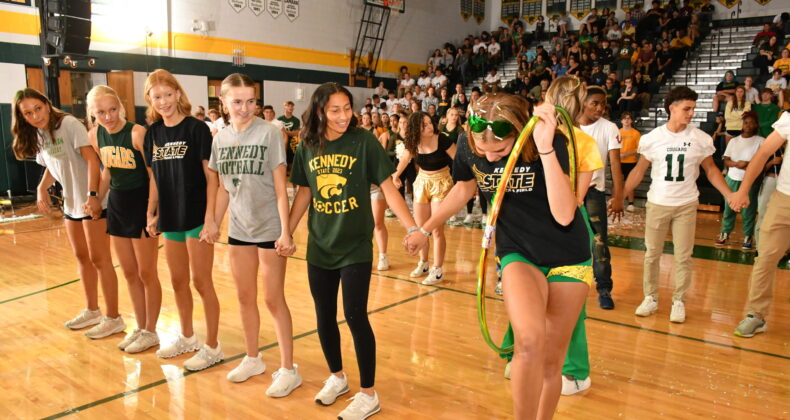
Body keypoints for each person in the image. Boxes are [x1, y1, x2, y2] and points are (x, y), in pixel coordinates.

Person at [404, 92, 593, 419]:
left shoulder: (550, 142)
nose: (490, 159)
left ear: (520, 133)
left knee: (552, 359)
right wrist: (425, 229)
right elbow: (464, 188)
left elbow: (565, 215)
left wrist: (546, 148)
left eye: (501, 151)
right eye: (483, 150)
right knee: (529, 342)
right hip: (518, 250)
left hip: (568, 255)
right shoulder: (465, 143)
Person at [287, 82, 419, 419]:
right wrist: (286, 230)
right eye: (335, 110)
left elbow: (388, 188)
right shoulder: (308, 145)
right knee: (323, 316)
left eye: (347, 108)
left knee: (355, 315)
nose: (344, 116)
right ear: (319, 111)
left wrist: (413, 227)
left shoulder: (364, 141)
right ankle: (337, 377)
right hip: (320, 244)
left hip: (356, 245)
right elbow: (303, 192)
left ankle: (368, 393)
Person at [202, 73, 300, 395]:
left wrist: (286, 231)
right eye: (237, 102)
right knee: (245, 297)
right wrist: (213, 222)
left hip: (271, 228)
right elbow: (224, 189)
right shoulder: (220, 139)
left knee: (273, 299)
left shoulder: (270, 133)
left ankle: (288, 368)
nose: (245, 108)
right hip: (240, 229)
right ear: (224, 103)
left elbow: (280, 188)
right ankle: (253, 357)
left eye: (251, 101)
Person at [12, 88, 120, 337]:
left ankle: (113, 316)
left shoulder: (69, 124)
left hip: (92, 202)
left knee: (99, 259)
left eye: (38, 108)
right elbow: (53, 164)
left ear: (47, 105)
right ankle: (92, 310)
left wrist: (93, 196)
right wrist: (41, 188)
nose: (35, 115)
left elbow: (92, 160)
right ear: (22, 117)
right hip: (71, 204)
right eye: (28, 113)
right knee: (82, 257)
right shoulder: (39, 133)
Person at [624, 86, 733, 323]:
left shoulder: (700, 139)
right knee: (652, 254)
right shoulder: (652, 139)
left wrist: (729, 195)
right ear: (672, 108)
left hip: (686, 204)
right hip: (657, 203)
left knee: (684, 256)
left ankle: (679, 301)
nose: (691, 113)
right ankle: (650, 298)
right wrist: (620, 196)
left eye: (693, 108)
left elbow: (712, 171)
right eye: (687, 108)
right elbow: (639, 170)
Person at [142, 69, 222, 370]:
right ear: (150, 100)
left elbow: (211, 177)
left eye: (167, 94)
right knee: (177, 281)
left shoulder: (196, 129)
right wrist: (152, 212)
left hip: (197, 216)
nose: (162, 101)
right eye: (156, 96)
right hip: (171, 218)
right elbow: (155, 179)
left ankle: (213, 346)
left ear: (178, 93)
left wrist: (211, 218)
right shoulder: (152, 134)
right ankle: (187, 337)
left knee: (202, 282)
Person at [85, 85, 161, 351]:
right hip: (117, 204)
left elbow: (154, 176)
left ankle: (152, 330)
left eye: (113, 110)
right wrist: (95, 196)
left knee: (147, 272)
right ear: (92, 115)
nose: (108, 117)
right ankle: (140, 327)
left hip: (141, 202)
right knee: (129, 272)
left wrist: (152, 210)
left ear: (121, 106)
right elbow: (107, 170)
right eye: (101, 113)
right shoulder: (96, 135)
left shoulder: (138, 133)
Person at [729, 111, 790, 337]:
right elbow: (764, 152)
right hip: (785, 199)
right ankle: (756, 314)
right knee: (765, 257)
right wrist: (743, 190)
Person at [393, 112, 456, 285]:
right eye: (425, 125)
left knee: (436, 229)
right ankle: (424, 263)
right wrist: (396, 176)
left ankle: (438, 269)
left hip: (442, 182)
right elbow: (405, 159)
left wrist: (463, 182)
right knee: (420, 228)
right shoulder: (413, 143)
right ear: (416, 129)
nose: (430, 126)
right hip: (422, 182)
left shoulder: (441, 139)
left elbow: (458, 159)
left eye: (430, 123)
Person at [578, 86, 624, 310]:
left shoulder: (609, 127)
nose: (599, 107)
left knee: (599, 241)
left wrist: (618, 196)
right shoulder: (568, 124)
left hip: (594, 190)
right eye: (594, 103)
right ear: (583, 103)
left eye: (602, 104)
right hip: (570, 190)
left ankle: (604, 287)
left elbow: (615, 163)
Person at [715, 112, 765, 250]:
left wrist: (748, 164)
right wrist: (737, 164)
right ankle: (725, 233)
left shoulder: (761, 141)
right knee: (729, 207)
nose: (748, 125)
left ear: (756, 124)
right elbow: (726, 159)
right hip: (732, 178)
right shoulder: (734, 140)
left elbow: (762, 161)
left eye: (751, 122)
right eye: (746, 122)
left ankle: (748, 236)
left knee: (748, 210)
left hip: (749, 181)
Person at [619, 112, 641, 212]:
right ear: (621, 120)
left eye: (628, 118)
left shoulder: (635, 133)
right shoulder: (617, 132)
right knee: (617, 182)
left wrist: (627, 154)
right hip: (618, 161)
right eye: (625, 118)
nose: (626, 120)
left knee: (630, 183)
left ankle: (631, 203)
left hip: (630, 161)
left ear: (631, 121)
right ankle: (615, 201)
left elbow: (639, 148)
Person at [278, 100, 301, 171]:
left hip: (292, 143)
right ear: (284, 107)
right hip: (281, 142)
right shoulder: (279, 119)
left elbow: (295, 133)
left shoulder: (296, 120)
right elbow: (278, 132)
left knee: (291, 165)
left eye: (292, 106)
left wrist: (284, 131)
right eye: (288, 106)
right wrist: (287, 133)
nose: (290, 108)